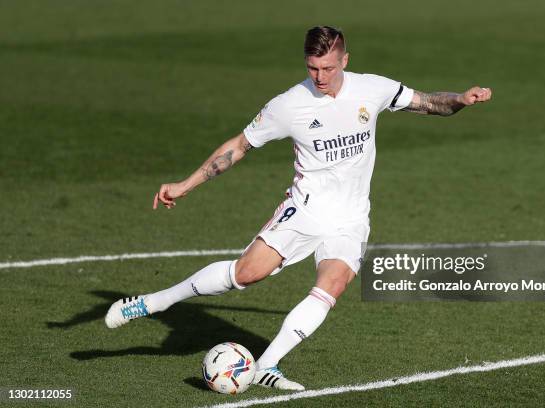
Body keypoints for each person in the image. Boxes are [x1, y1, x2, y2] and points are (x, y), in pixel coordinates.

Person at [105, 26, 492, 390]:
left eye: (327, 67)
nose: (320, 76)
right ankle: (153, 302)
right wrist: (186, 184)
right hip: (304, 211)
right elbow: (239, 146)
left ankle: (265, 366)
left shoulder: (373, 88)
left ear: (345, 60)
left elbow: (426, 103)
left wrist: (460, 99)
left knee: (332, 285)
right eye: (312, 67)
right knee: (245, 274)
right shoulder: (289, 105)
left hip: (351, 218)